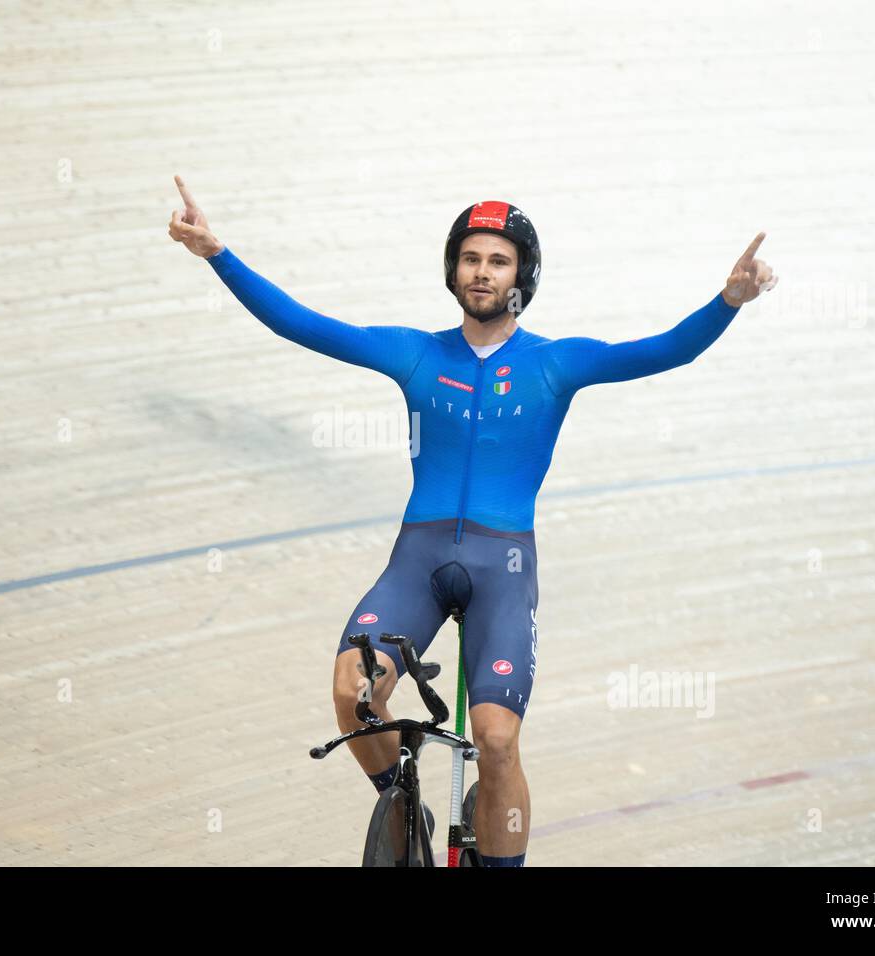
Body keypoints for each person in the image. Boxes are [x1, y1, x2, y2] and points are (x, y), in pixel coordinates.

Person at [168, 175, 777, 866]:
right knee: (351, 690)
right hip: (419, 562)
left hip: (503, 568)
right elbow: (299, 324)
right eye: (470, 258)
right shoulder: (418, 353)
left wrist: (728, 302)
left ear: (523, 275)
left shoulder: (556, 362)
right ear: (453, 269)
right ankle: (401, 800)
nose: (481, 272)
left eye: (497, 260)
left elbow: (665, 350)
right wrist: (218, 253)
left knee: (495, 738)